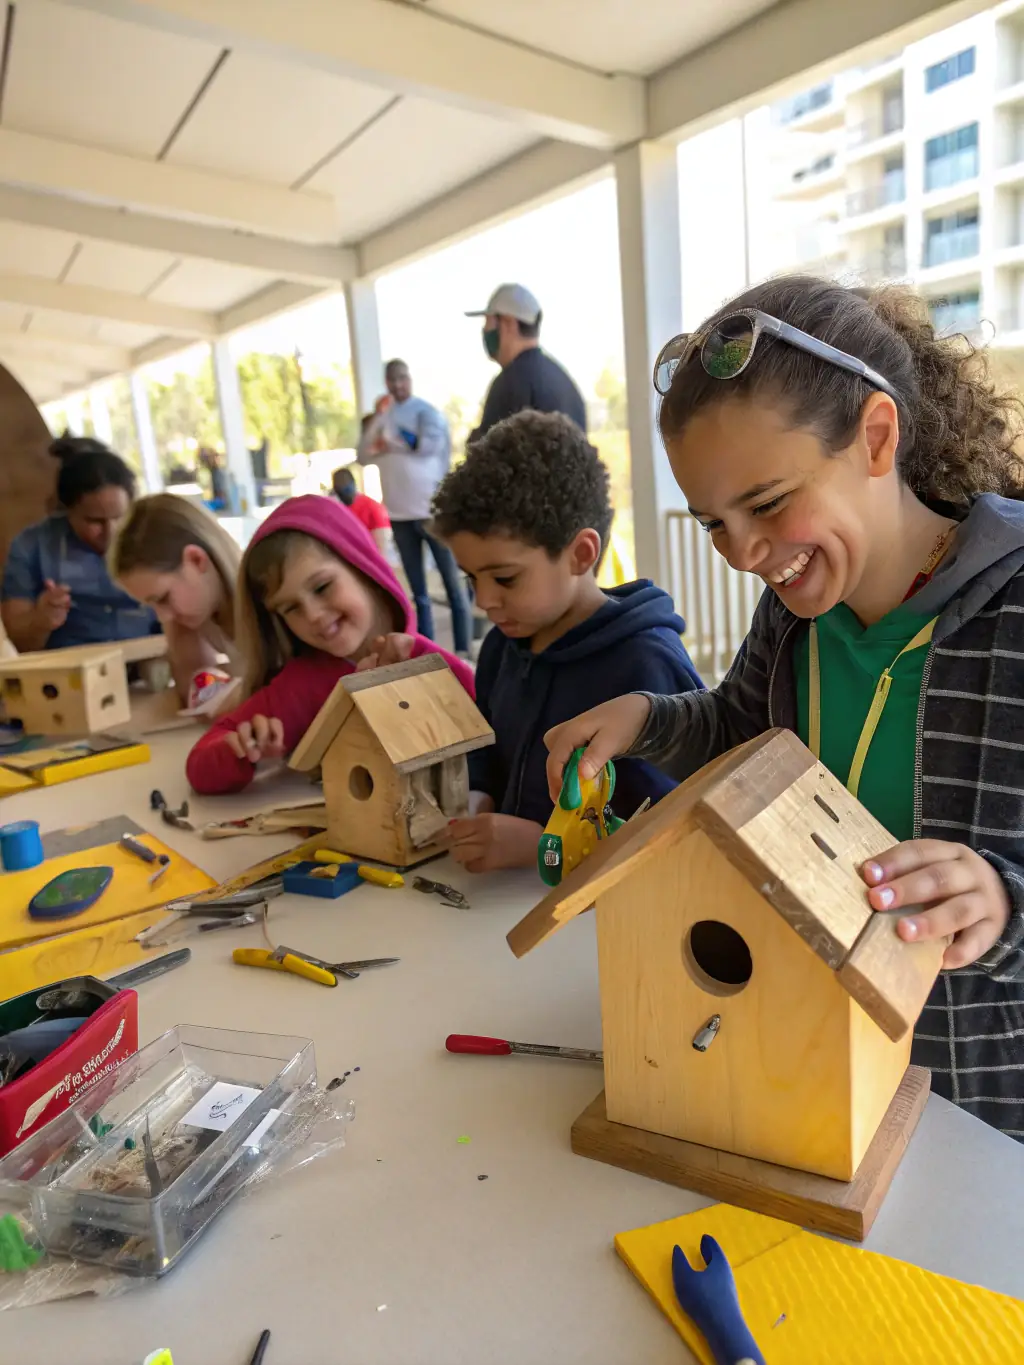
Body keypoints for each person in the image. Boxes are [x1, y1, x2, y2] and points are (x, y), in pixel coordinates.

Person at [544, 276, 1024, 1142]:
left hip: (976, 1110)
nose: (745, 553)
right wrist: (644, 719)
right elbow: (743, 740)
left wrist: (1003, 900)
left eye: (765, 504)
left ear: (877, 437)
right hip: (807, 1065)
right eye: (713, 524)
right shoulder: (797, 609)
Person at [430, 410, 702, 874]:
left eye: (505, 578)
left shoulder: (645, 665)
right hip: (496, 909)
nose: (483, 601)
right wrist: (477, 797)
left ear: (580, 554)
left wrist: (541, 844)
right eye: (471, 577)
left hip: (598, 925)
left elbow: (675, 834)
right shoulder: (502, 647)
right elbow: (488, 754)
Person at [185, 495, 475, 795]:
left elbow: (483, 713)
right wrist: (239, 750)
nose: (313, 615)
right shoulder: (302, 685)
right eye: (290, 608)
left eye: (322, 587)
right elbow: (199, 766)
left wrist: (421, 655)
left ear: (362, 566)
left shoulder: (417, 656)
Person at [357, 359, 472, 656]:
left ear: (410, 378)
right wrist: (377, 424)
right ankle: (428, 651)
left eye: (402, 378)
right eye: (391, 380)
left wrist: (389, 439)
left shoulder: (425, 412)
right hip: (399, 515)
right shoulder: (384, 416)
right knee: (418, 594)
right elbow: (363, 454)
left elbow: (424, 447)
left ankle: (463, 650)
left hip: (431, 513)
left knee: (452, 584)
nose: (397, 385)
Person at [1, 436, 157, 652]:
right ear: (67, 511)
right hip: (70, 674)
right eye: (95, 521)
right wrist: (40, 621)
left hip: (148, 665)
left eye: (119, 517)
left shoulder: (153, 536)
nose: (110, 532)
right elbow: (15, 643)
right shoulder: (31, 547)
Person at [111, 494, 242, 702]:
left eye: (163, 598)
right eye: (151, 604)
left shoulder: (271, 600)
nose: (163, 616)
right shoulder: (199, 612)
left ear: (197, 560)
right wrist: (180, 637)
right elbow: (196, 691)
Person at [466, 283, 587, 442]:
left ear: (508, 323)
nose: (485, 330)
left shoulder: (509, 383)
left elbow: (490, 461)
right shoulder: (565, 382)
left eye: (488, 322)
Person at [332, 463, 390, 554]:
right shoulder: (338, 510)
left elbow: (382, 544)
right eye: (340, 490)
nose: (345, 494)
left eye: (346, 488)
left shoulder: (372, 507)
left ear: (353, 484)